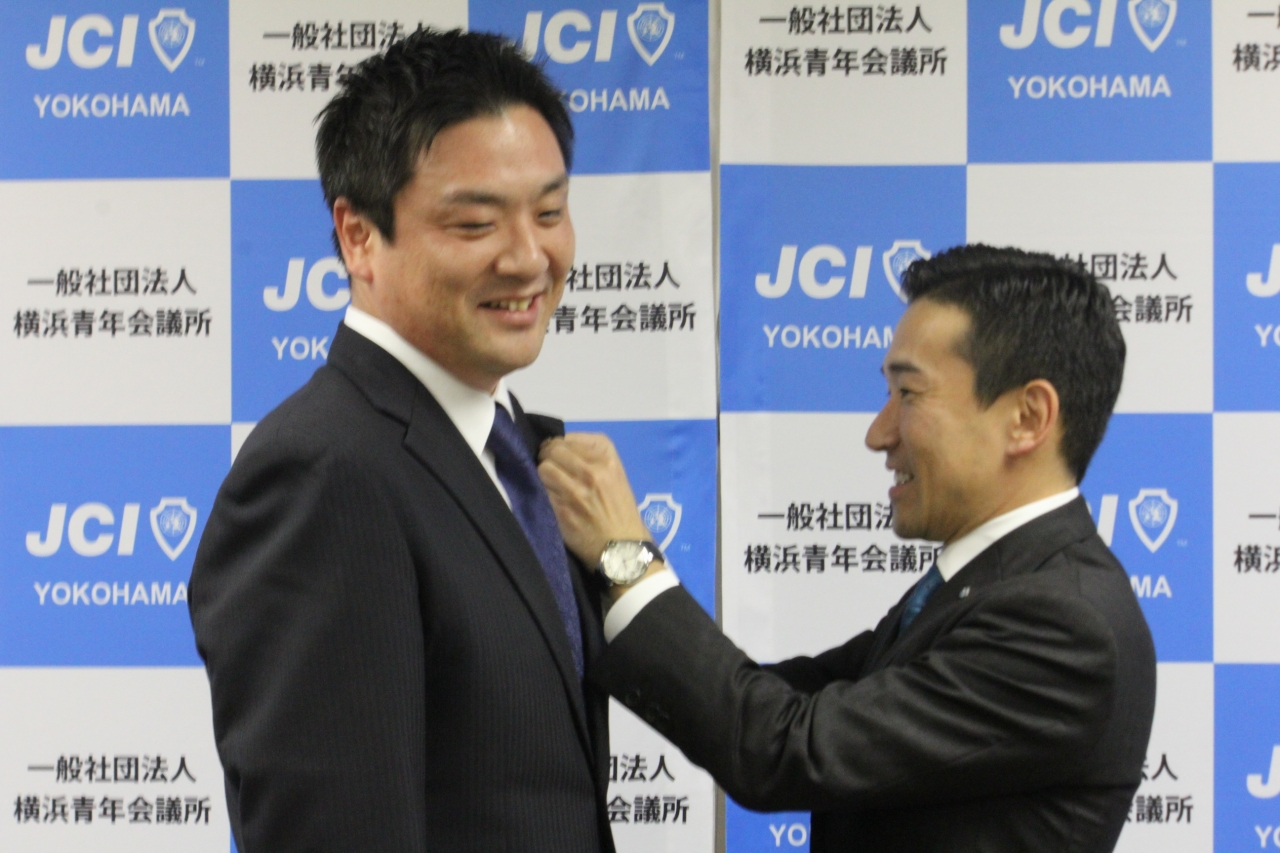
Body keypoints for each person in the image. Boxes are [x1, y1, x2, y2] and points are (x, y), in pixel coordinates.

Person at [539, 245, 1157, 853]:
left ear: (1027, 417)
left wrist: (625, 557)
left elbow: (783, 747)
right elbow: (777, 699)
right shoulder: (991, 584)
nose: (878, 434)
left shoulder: (1063, 623)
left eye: (908, 394)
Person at [189, 30, 616, 853]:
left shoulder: (513, 451)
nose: (529, 257)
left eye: (550, 212)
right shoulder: (321, 474)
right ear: (358, 236)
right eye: (475, 222)